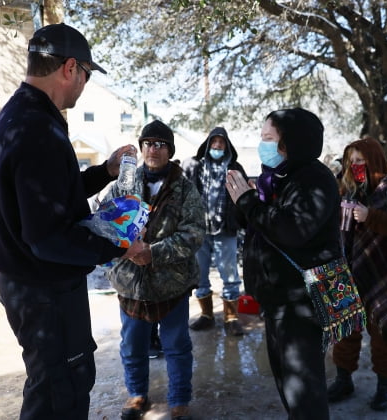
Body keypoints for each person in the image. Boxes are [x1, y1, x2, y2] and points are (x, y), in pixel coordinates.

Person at [0, 23, 145, 419]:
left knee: (49, 386)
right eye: (88, 75)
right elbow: (48, 237)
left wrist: (104, 173)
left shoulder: (21, 114)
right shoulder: (37, 128)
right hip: (45, 292)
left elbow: (52, 195)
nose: (85, 85)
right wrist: (122, 245)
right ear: (70, 68)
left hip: (30, 285)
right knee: (62, 394)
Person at [225, 108, 339, 420]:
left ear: (292, 142)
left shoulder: (314, 179)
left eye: (268, 139)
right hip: (277, 300)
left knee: (304, 392)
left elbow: (292, 230)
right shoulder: (277, 177)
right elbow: (259, 225)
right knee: (288, 387)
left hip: (300, 303)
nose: (262, 145)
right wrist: (239, 202)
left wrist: (247, 201)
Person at [104, 120, 205, 420]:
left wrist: (154, 253)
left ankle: (179, 400)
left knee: (176, 345)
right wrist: (126, 248)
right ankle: (136, 394)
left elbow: (194, 233)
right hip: (130, 284)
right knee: (133, 345)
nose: (152, 149)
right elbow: (105, 223)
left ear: (170, 150)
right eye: (147, 143)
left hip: (171, 285)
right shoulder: (124, 183)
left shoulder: (185, 188)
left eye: (160, 144)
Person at [326, 137, 387, 412]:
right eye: (351, 161)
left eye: (360, 160)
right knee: (344, 330)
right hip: (343, 269)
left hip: (381, 272)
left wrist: (370, 216)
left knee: (383, 332)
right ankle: (343, 380)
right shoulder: (344, 188)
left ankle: (385, 386)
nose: (355, 165)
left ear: (374, 160)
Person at [182, 127, 249, 336]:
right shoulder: (195, 166)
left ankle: (231, 318)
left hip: (225, 229)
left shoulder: (235, 168)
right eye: (214, 142)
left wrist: (242, 221)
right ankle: (207, 316)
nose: (218, 146)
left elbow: (245, 197)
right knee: (199, 274)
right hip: (199, 231)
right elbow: (182, 193)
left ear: (227, 146)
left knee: (229, 275)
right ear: (207, 143)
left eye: (222, 143)